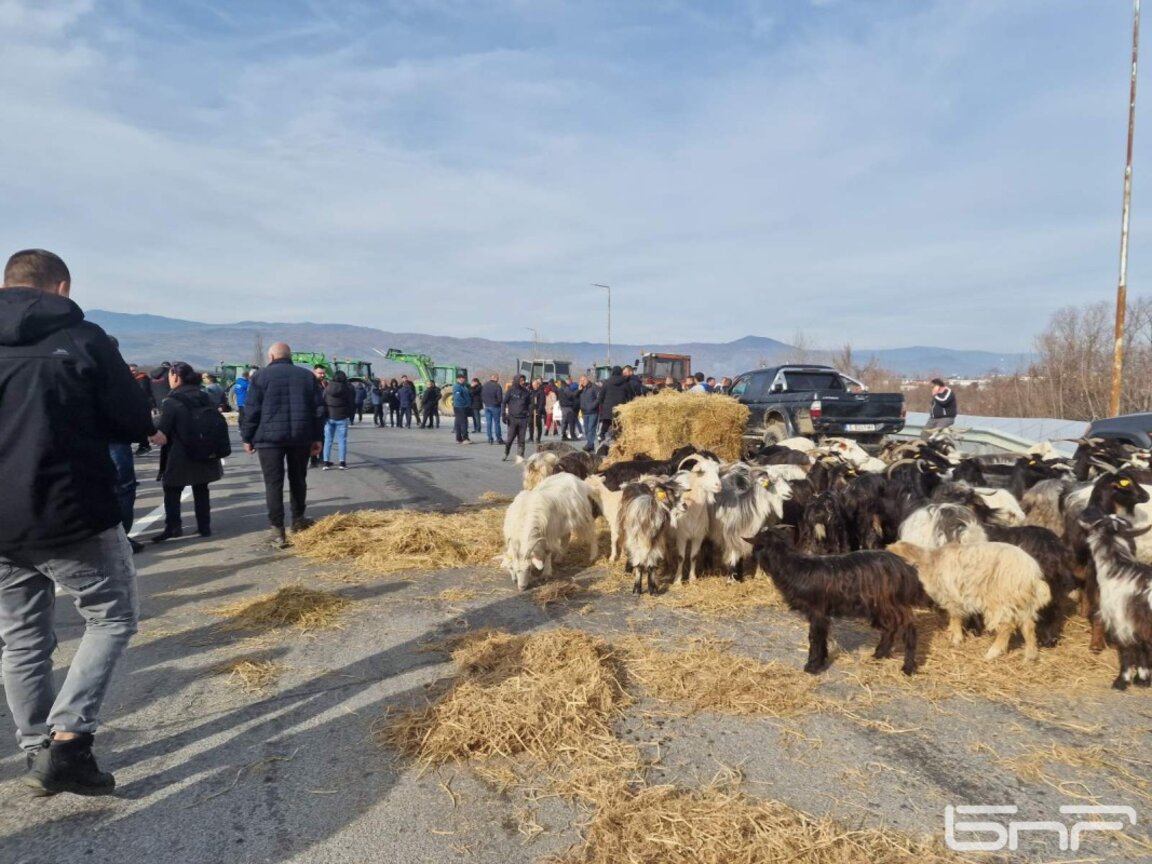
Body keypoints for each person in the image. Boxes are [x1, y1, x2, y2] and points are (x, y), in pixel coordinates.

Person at [0, 248, 154, 796]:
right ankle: (68, 741)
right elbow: (133, 419)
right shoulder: (83, 339)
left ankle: (36, 746)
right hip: (71, 511)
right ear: (60, 288)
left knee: (21, 638)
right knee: (112, 617)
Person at [240, 342, 325, 549]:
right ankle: (298, 520)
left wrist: (247, 437)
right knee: (298, 479)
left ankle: (278, 531)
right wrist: (317, 437)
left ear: (270, 356)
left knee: (273, 483)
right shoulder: (307, 377)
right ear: (290, 356)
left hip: (269, 440)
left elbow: (252, 410)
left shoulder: (259, 377)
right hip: (300, 437)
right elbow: (319, 410)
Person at [152, 362, 224, 542]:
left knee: (171, 489)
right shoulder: (204, 395)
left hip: (180, 452)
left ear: (175, 376)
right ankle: (204, 526)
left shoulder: (172, 401)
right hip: (205, 450)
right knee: (201, 488)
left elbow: (164, 429)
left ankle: (173, 527)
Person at [322, 370, 355, 469]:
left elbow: (323, 400)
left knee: (328, 440)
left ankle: (326, 462)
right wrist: (350, 415)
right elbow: (351, 403)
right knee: (342, 441)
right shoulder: (347, 389)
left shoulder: (327, 388)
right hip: (342, 417)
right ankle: (342, 463)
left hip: (329, 417)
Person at [599, 365, 636, 443]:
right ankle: (616, 443)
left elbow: (601, 396)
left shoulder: (607, 383)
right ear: (620, 373)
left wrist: (602, 405)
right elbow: (630, 397)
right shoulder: (625, 383)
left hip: (608, 411)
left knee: (604, 429)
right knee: (618, 430)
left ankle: (602, 440)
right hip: (620, 410)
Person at [502, 374, 533, 461]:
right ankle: (506, 452)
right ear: (516, 381)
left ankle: (520, 455)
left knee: (522, 439)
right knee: (510, 439)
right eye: (521, 381)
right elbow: (504, 403)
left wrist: (529, 413)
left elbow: (530, 404)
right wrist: (503, 414)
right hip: (512, 418)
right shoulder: (510, 391)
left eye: (523, 380)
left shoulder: (526, 392)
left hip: (523, 418)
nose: (523, 382)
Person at [578, 374, 601, 452]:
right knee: (586, 430)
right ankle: (590, 445)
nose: (582, 382)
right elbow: (575, 396)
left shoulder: (594, 387)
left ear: (587, 379)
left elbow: (599, 397)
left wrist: (592, 405)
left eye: (583, 380)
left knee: (591, 428)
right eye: (580, 381)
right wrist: (579, 390)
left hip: (593, 412)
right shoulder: (581, 389)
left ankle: (590, 444)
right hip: (584, 412)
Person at [481, 373, 504, 445]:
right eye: (498, 378)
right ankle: (499, 438)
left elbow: (482, 395)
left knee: (488, 423)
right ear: (496, 378)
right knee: (497, 423)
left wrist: (485, 402)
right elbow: (500, 398)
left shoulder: (484, 385)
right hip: (495, 406)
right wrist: (498, 403)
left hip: (487, 406)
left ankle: (490, 438)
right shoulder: (497, 386)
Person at [451, 373, 473, 444]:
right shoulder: (457, 386)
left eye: (464, 378)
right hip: (460, 407)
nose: (463, 380)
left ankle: (459, 438)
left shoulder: (463, 386)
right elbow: (458, 397)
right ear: (458, 379)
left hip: (461, 407)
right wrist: (465, 403)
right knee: (464, 422)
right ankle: (465, 438)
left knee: (458, 422)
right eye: (461, 378)